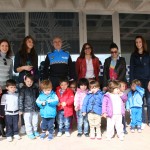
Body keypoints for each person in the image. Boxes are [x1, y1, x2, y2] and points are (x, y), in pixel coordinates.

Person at [14, 35, 38, 134]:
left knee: (33, 102)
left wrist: (38, 81)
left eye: (32, 42)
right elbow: (15, 69)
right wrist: (24, 67)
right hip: (22, 82)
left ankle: (33, 125)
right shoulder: (19, 54)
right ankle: (24, 125)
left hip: (33, 81)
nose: (31, 43)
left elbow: (36, 69)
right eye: (29, 41)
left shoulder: (34, 54)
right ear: (24, 43)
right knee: (24, 103)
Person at [130, 35, 150, 129]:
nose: (138, 44)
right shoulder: (133, 55)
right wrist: (133, 83)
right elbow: (132, 69)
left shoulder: (148, 54)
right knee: (140, 102)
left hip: (148, 81)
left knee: (149, 101)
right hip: (138, 82)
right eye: (136, 42)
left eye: (140, 42)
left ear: (143, 43)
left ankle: (149, 120)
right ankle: (141, 121)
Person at [18, 74, 39, 139]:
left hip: (34, 109)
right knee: (27, 122)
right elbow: (20, 100)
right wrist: (21, 109)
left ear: (33, 82)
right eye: (28, 81)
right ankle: (29, 133)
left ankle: (35, 131)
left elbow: (38, 98)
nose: (29, 83)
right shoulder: (22, 89)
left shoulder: (35, 89)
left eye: (31, 81)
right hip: (26, 110)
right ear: (24, 80)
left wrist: (38, 107)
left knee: (35, 121)